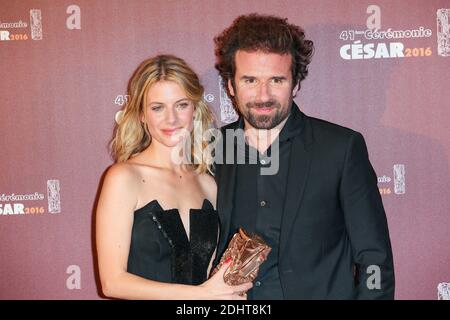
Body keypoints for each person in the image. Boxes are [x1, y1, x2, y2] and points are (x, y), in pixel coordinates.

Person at [212, 14, 395, 299]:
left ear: (295, 84)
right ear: (231, 86)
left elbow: (374, 258)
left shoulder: (340, 148)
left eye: (277, 80)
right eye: (250, 80)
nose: (263, 95)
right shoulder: (211, 150)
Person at [96, 54, 252, 299]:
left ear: (195, 108)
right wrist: (202, 295)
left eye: (181, 105)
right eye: (157, 107)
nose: (172, 119)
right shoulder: (123, 178)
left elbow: (211, 275)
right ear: (141, 114)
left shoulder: (207, 182)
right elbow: (112, 282)